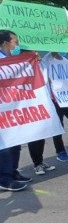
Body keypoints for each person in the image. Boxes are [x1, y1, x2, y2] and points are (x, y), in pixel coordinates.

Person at [0, 30, 32, 191]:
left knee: (16, 142)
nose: (16, 44)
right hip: (2, 109)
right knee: (4, 147)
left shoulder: (11, 59)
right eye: (14, 41)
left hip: (12, 108)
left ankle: (12, 172)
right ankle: (4, 179)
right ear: (6, 43)